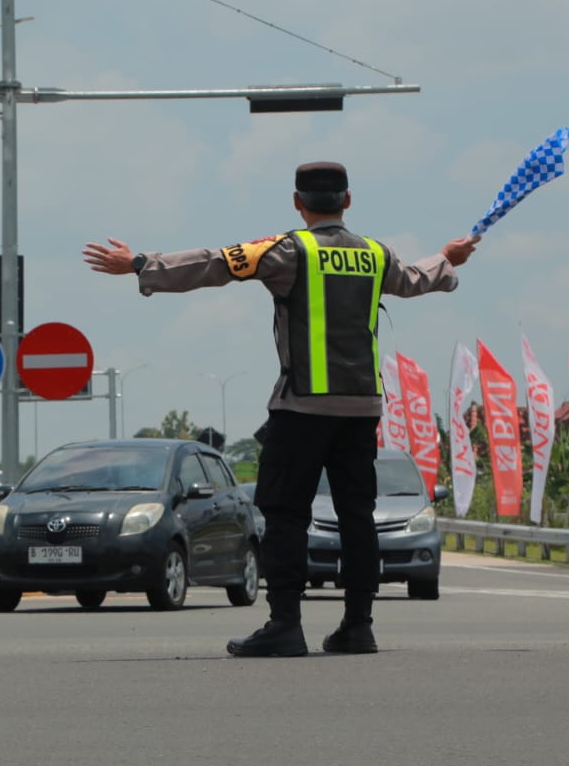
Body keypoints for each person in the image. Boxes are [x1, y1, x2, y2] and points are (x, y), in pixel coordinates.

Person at [82, 161, 478, 657]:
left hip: (303, 407)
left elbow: (216, 263)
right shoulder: (376, 255)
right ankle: (358, 625)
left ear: (297, 202)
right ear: (348, 201)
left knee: (284, 513)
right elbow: (418, 278)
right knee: (359, 516)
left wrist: (142, 264)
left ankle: (285, 623)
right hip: (361, 409)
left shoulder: (289, 249)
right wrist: (448, 258)